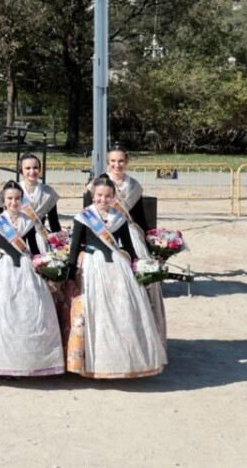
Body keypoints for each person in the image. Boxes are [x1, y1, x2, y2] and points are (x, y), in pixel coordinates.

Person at [64, 176, 165, 378]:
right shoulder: (83, 217)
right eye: (99, 195)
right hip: (93, 268)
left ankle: (124, 361)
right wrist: (69, 274)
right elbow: (75, 248)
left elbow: (127, 247)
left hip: (118, 267)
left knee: (123, 308)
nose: (103, 199)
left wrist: (141, 268)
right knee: (97, 313)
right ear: (92, 196)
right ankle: (98, 362)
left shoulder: (119, 218)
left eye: (108, 196)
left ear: (113, 197)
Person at [0, 181, 64, 377]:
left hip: (26, 271)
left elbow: (35, 250)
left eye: (18, 199)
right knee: (3, 314)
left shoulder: (28, 222)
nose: (14, 202)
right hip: (2, 271)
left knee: (28, 312)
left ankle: (26, 361)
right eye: (10, 199)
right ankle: (3, 362)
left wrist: (45, 265)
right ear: (4, 201)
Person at [83, 145, 162, 346]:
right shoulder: (96, 184)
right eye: (113, 161)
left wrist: (151, 241)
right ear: (107, 162)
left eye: (121, 161)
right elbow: (86, 214)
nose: (117, 165)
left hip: (129, 235)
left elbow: (139, 218)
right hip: (101, 236)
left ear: (127, 162)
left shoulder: (134, 186)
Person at [17, 153, 62, 250]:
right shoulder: (14, 190)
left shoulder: (48, 193)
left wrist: (60, 243)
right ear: (21, 170)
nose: (32, 171)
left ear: (40, 169)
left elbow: (53, 221)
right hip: (19, 237)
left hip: (40, 238)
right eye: (28, 168)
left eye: (35, 168)